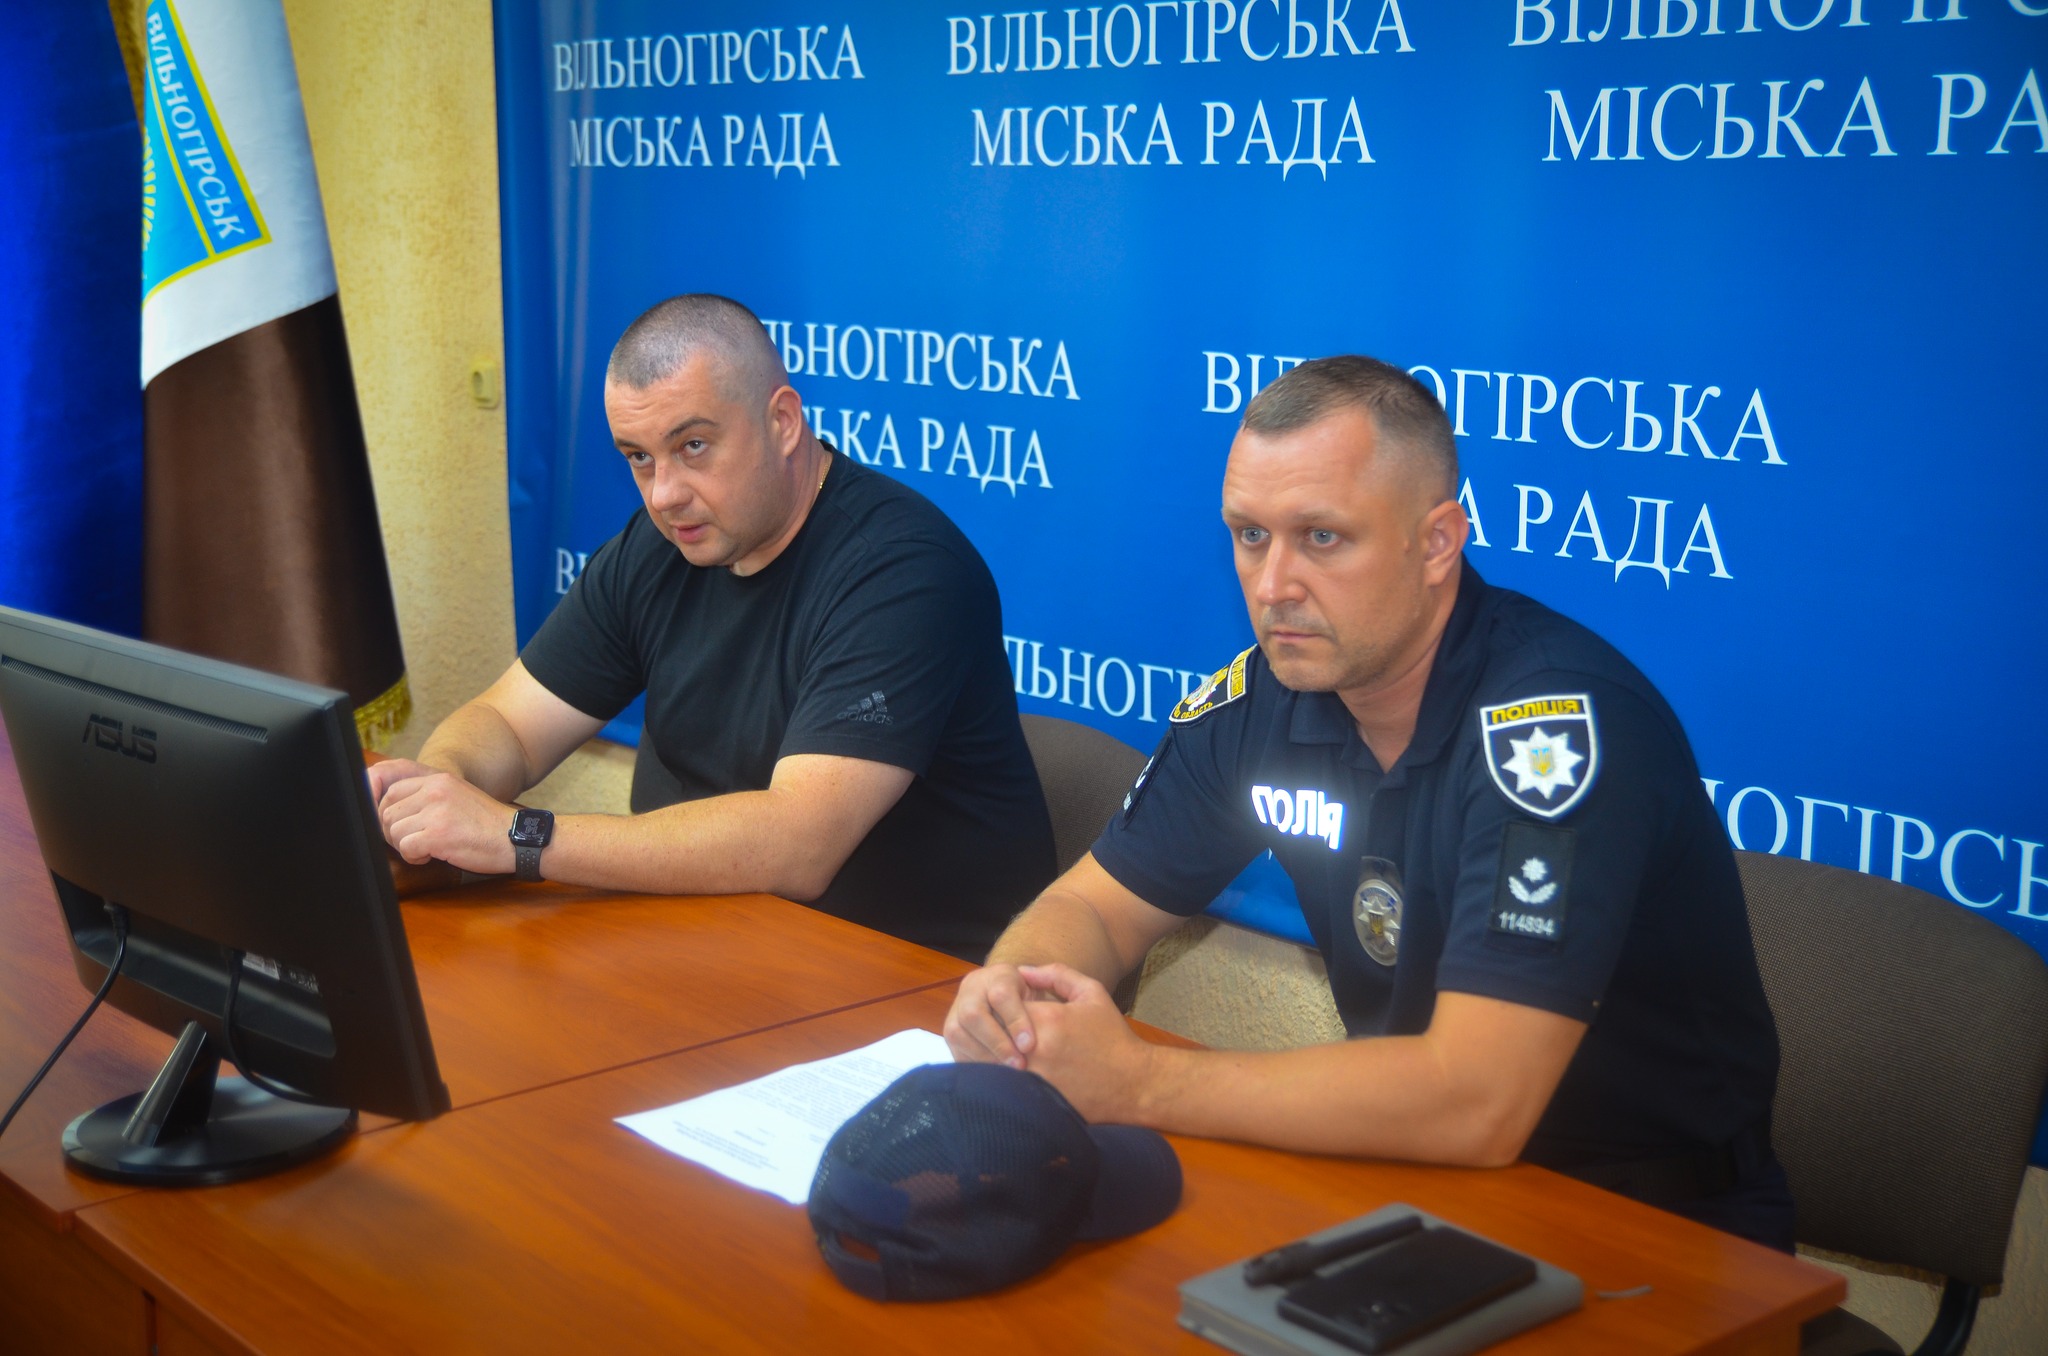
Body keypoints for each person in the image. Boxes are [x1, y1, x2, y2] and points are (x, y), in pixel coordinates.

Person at [942, 355, 1790, 1248]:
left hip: (1653, 1226)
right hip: (1410, 1180)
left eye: (1322, 537)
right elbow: (1092, 909)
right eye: (1250, 535)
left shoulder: (1553, 737)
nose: (1272, 586)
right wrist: (1017, 995)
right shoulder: (1264, 700)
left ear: (1438, 543)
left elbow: (1478, 1099)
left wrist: (1138, 1082)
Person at [370, 294, 1054, 960]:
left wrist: (518, 837)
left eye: (692, 445)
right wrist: (435, 801)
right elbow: (510, 724)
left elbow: (798, 845)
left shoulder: (902, 570)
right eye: (639, 457)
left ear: (782, 422)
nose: (664, 494)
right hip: (703, 942)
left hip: (904, 980)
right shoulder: (661, 546)